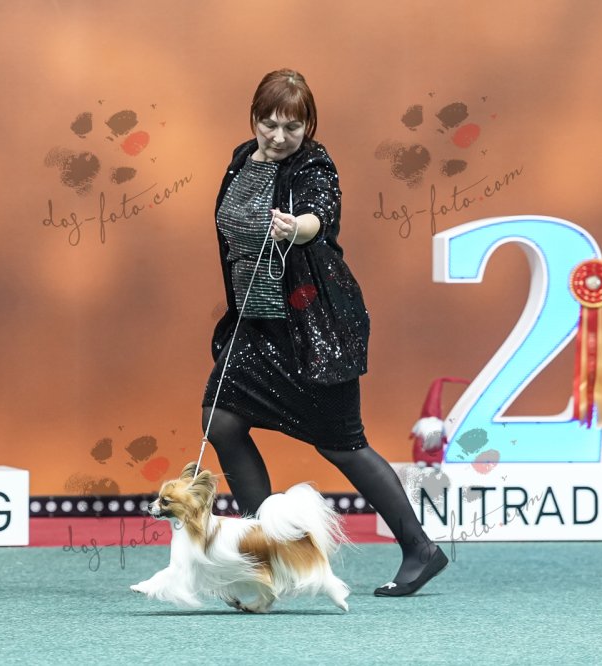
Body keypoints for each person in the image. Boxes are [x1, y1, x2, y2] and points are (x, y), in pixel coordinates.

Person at [201, 69, 448, 597]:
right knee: (220, 421)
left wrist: (298, 227)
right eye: (269, 124)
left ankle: (420, 548)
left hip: (313, 329)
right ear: (253, 118)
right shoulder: (241, 159)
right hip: (256, 324)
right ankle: (266, 552)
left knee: (344, 445)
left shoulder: (313, 165)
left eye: (292, 126)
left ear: (308, 125)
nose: (278, 136)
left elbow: (321, 216)